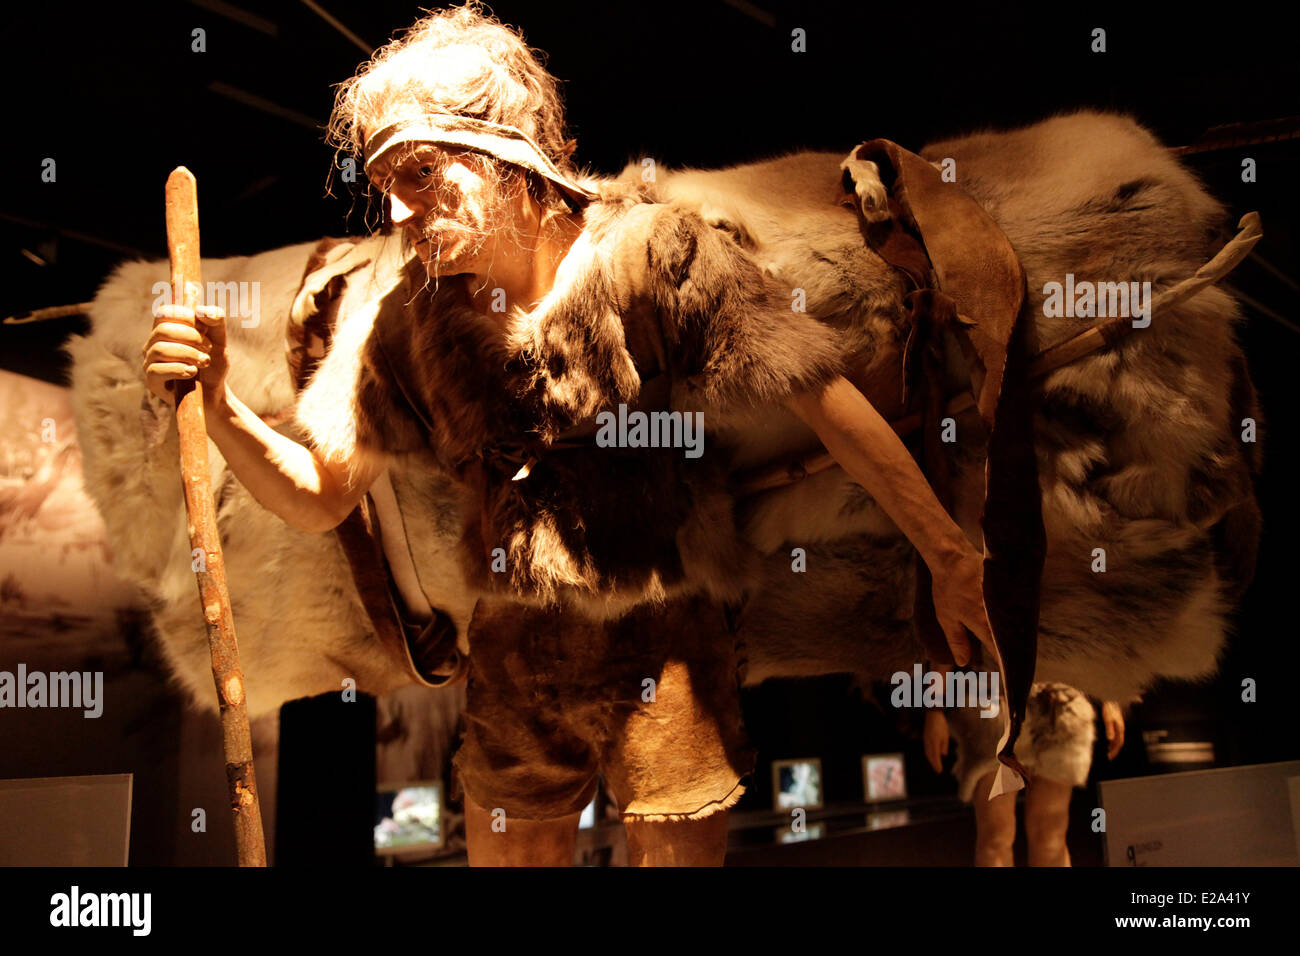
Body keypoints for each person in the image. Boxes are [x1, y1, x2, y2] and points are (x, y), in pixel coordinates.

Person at [141, 2, 993, 865]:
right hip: (512, 654)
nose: (396, 212)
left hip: (666, 652)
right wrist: (217, 403)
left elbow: (824, 397)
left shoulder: (657, 254)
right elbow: (319, 496)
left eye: (420, 172)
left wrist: (951, 556)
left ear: (507, 154)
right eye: (384, 182)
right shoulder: (406, 321)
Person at [926, 684, 1127, 866]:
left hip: (1062, 698)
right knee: (996, 833)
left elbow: (1095, 642)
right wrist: (934, 710)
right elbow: (943, 645)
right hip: (992, 691)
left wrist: (1110, 697)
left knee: (1050, 834)